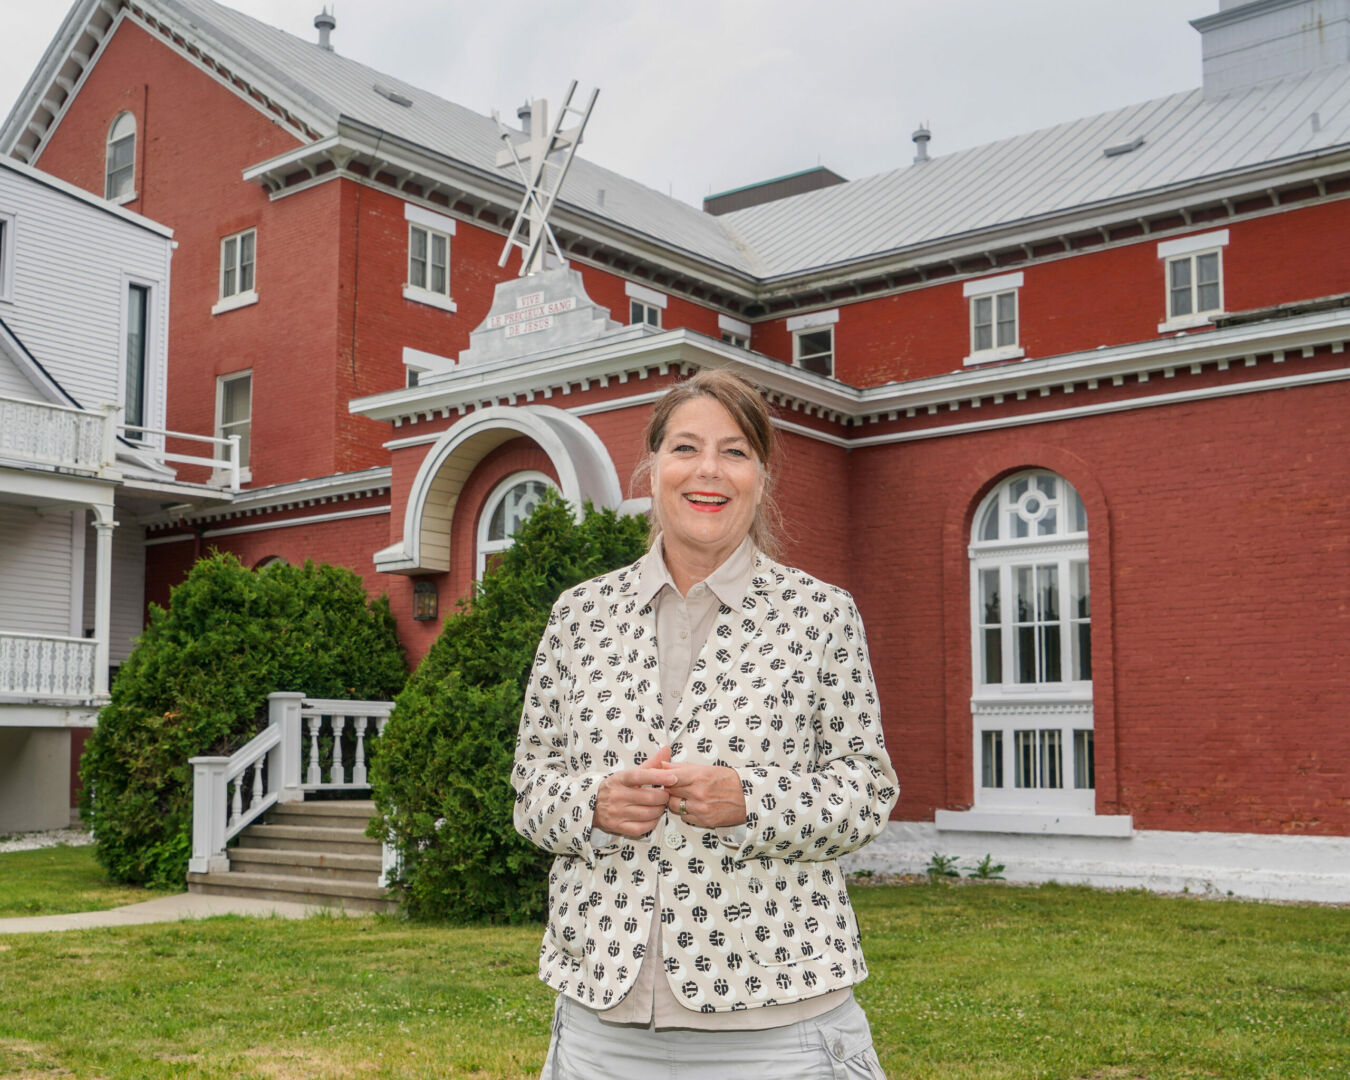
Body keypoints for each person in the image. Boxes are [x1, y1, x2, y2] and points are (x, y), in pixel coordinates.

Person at [512, 368, 898, 1079]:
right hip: (605, 1026)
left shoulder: (820, 616)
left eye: (735, 451)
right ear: (652, 467)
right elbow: (531, 788)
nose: (708, 471)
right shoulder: (578, 616)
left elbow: (866, 790)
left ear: (761, 476)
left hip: (780, 1027)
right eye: (685, 448)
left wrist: (752, 800)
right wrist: (591, 805)